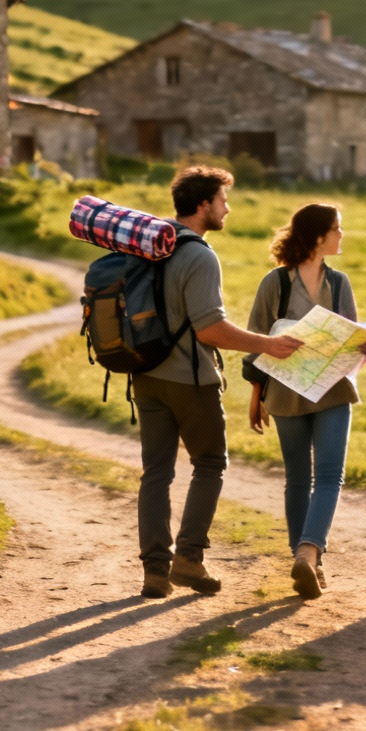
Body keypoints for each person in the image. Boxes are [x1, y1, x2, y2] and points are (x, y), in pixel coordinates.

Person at [136, 166, 303, 600]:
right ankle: (188, 558)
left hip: (146, 374)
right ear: (203, 205)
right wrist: (268, 344)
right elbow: (210, 329)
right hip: (189, 378)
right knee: (209, 464)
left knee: (156, 471)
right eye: (222, 200)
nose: (227, 208)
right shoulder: (199, 255)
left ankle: (154, 572)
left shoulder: (151, 244)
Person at [245, 203, 366, 600]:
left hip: (332, 389)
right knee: (305, 479)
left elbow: (351, 342)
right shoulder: (276, 283)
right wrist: (257, 396)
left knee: (319, 477)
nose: (343, 235)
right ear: (319, 236)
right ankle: (307, 556)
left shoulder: (339, 283)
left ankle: (306, 555)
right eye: (337, 229)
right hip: (285, 392)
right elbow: (256, 341)